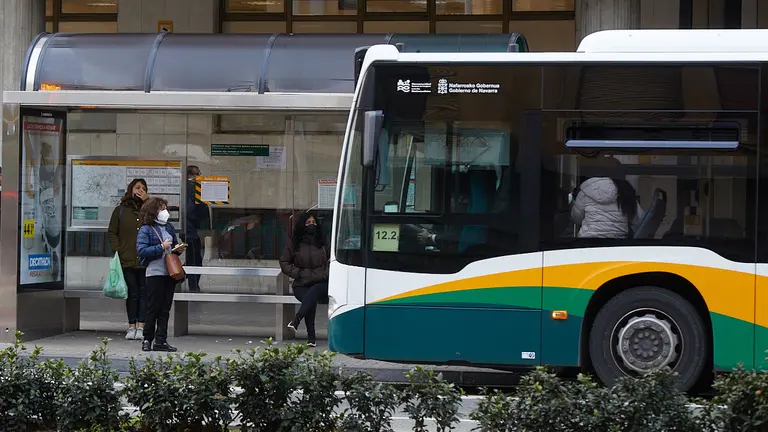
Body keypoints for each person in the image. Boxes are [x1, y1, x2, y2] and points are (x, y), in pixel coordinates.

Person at [136, 197, 186, 352]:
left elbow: (173, 247)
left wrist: (178, 249)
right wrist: (160, 247)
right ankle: (147, 339)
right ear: (153, 211)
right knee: (153, 308)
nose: (165, 211)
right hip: (155, 274)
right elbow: (142, 251)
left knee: (165, 308)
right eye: (161, 208)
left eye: (165, 208)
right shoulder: (146, 229)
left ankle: (161, 340)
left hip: (169, 274)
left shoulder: (169, 227)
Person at [280, 211, 330, 347]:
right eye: (308, 222)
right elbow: (284, 262)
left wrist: (325, 274)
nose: (311, 225)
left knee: (313, 292)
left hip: (321, 282)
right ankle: (311, 338)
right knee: (310, 298)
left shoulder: (323, 241)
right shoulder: (294, 243)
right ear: (302, 225)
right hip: (301, 282)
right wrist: (298, 273)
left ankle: (297, 321)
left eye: (313, 222)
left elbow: (332, 260)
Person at [108, 178, 149, 341]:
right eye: (137, 187)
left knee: (144, 293)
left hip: (146, 258)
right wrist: (118, 250)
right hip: (127, 259)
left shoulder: (148, 209)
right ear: (130, 189)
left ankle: (141, 326)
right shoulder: (120, 210)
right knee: (132, 293)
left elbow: (160, 220)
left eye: (143, 188)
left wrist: (147, 202)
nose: (140, 190)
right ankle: (131, 326)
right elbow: (112, 232)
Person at [570, 156, 645, 238]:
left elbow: (576, 218)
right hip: (617, 242)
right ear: (620, 172)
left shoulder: (586, 190)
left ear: (598, 171)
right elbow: (639, 220)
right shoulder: (626, 190)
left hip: (588, 241)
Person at [183, 165, 210, 292]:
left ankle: (188, 282)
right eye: (196, 174)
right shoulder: (191, 188)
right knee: (195, 259)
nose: (199, 176)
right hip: (192, 230)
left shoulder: (191, 188)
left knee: (193, 258)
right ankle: (193, 286)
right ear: (190, 175)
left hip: (192, 230)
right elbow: (191, 210)